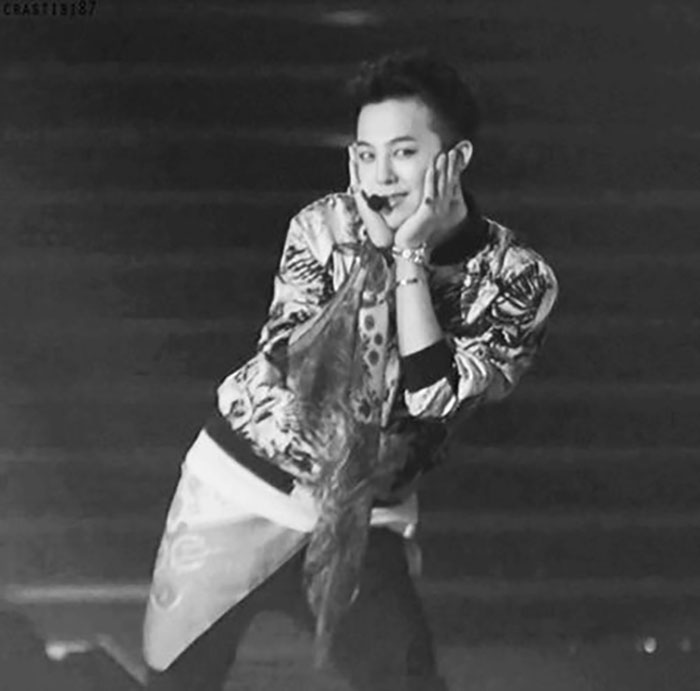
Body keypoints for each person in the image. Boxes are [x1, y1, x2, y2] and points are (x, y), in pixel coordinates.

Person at [142, 51, 558, 691]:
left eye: (403, 153)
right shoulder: (324, 226)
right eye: (365, 155)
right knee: (177, 681)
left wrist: (409, 257)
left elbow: (432, 396)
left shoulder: (518, 279)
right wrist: (373, 257)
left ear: (456, 160)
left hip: (364, 512)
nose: (379, 176)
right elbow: (295, 369)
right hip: (240, 488)